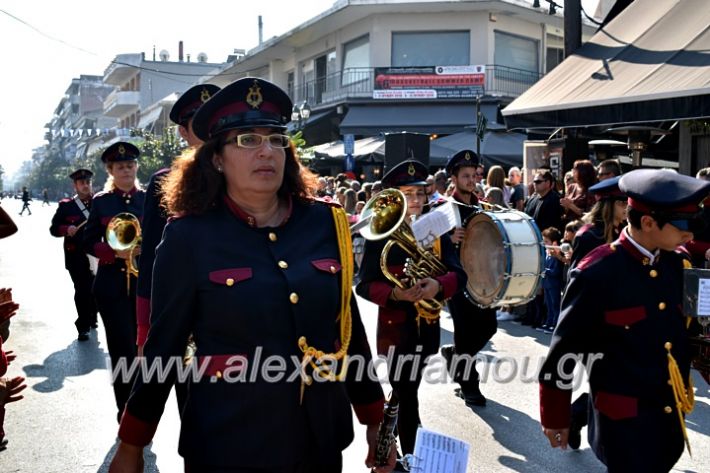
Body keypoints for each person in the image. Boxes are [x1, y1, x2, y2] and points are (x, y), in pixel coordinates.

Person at [110, 78, 392, 473]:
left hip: (319, 438)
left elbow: (347, 328)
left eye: (276, 139)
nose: (266, 151)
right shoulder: (189, 236)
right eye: (247, 140)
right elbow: (165, 348)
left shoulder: (325, 222)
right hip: (228, 442)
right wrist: (132, 443)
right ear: (216, 158)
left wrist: (374, 418)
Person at [539, 169, 710, 472]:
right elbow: (563, 352)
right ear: (647, 222)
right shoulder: (597, 272)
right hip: (622, 425)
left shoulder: (677, 264)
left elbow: (688, 333)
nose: (690, 235)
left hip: (668, 419)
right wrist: (556, 416)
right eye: (683, 226)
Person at [357, 159, 466, 464]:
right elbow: (364, 285)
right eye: (409, 194)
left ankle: (390, 452)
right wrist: (395, 292)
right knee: (406, 394)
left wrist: (438, 285)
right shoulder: (380, 233)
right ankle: (410, 456)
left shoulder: (436, 228)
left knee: (407, 392)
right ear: (395, 197)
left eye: (420, 193)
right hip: (395, 330)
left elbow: (460, 274)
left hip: (426, 329)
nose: (417, 201)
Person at [136, 84, 220, 353]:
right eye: (200, 123)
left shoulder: (249, 176)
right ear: (183, 132)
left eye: (215, 121)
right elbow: (151, 255)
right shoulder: (164, 182)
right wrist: (144, 327)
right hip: (187, 310)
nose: (210, 130)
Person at [83, 142, 144, 422]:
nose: (126, 170)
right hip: (112, 287)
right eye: (120, 167)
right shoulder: (101, 201)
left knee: (145, 348)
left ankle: (145, 405)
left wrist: (148, 246)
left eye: (130, 165)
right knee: (122, 349)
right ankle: (127, 409)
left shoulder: (150, 199)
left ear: (136, 168)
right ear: (111, 170)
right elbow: (88, 240)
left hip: (146, 285)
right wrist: (113, 252)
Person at [440, 150, 497, 408]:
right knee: (464, 332)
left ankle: (455, 357)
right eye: (465, 176)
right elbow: (427, 242)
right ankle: (469, 385)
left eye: (473, 175)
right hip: (456, 278)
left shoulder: (482, 205)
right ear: (453, 178)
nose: (471, 180)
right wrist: (448, 240)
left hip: (483, 276)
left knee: (488, 327)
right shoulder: (442, 208)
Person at [49, 169, 98, 341]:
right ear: (75, 185)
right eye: (82, 183)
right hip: (75, 255)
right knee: (82, 289)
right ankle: (83, 325)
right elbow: (53, 229)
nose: (86, 185)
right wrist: (65, 229)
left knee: (96, 288)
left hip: (97, 254)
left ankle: (92, 316)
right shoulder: (66, 206)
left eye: (88, 182)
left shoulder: (100, 202)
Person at [539, 227, 564, 334]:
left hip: (554, 285)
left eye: (547, 242)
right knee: (548, 304)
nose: (545, 244)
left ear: (554, 242)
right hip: (547, 284)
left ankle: (555, 324)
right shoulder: (547, 254)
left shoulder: (556, 255)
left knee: (555, 304)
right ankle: (548, 322)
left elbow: (555, 272)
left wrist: (544, 270)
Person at [560, 159, 597, 224]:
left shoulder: (591, 191)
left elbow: (590, 215)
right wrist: (565, 206)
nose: (572, 171)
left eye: (575, 169)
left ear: (583, 173)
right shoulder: (571, 187)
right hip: (569, 224)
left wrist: (571, 206)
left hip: (582, 225)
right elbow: (565, 210)